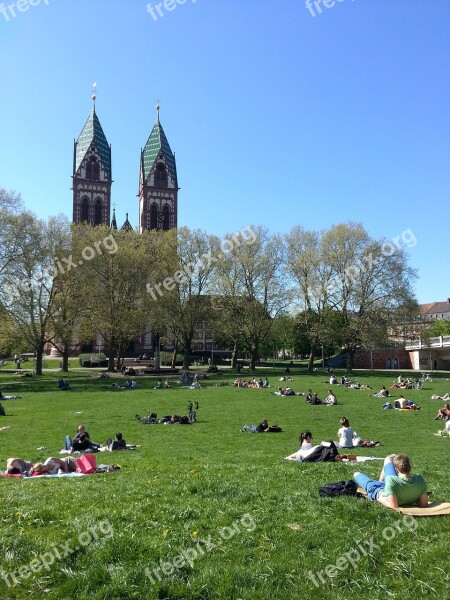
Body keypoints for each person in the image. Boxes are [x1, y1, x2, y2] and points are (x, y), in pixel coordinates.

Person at [353, 454, 428, 508]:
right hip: (389, 487)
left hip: (377, 490)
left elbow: (393, 506)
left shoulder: (391, 480)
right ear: (410, 468)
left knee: (356, 474)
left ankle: (378, 482)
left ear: (396, 470)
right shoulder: (419, 479)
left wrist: (380, 499)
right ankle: (380, 482)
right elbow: (424, 505)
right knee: (388, 459)